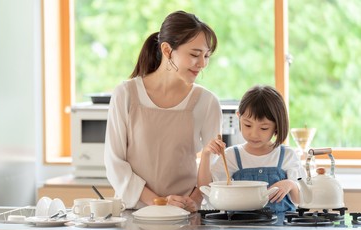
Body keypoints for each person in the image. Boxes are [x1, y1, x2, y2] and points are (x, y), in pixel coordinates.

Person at [104, 11, 222, 212]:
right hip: (135, 213)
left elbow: (214, 163)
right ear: (167, 50)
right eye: (194, 54)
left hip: (186, 213)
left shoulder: (207, 102)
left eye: (206, 56)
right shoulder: (126, 94)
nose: (202, 64)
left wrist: (193, 200)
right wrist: (159, 202)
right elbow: (114, 162)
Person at [198, 85, 305, 213]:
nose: (254, 134)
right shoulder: (231, 156)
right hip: (241, 229)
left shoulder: (287, 155)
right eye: (248, 125)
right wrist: (205, 154)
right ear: (239, 117)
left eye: (264, 128)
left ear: (277, 126)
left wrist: (290, 185)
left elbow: (302, 199)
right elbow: (206, 191)